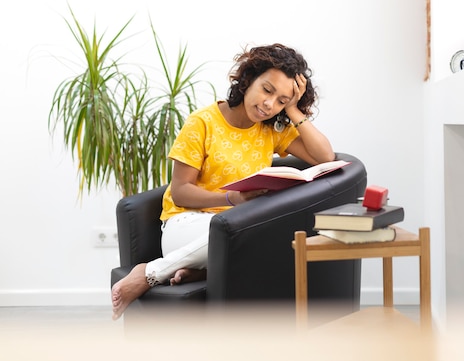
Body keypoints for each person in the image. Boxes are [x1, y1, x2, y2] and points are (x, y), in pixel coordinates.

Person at [111, 43, 335, 320]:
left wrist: (294, 111)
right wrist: (232, 199)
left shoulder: (271, 130)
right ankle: (149, 272)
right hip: (187, 224)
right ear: (248, 79)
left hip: (239, 230)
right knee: (241, 236)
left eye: (281, 100)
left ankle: (201, 269)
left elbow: (324, 157)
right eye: (267, 90)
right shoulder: (202, 123)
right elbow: (181, 192)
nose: (269, 104)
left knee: (260, 237)